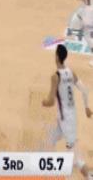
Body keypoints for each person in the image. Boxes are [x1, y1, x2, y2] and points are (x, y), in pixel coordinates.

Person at [42, 44, 92, 179]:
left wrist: (43, 102)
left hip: (66, 121)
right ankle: (50, 170)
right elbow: (84, 90)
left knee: (75, 158)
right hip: (67, 118)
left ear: (57, 57)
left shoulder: (55, 77)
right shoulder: (71, 72)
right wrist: (87, 107)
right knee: (50, 140)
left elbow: (51, 101)